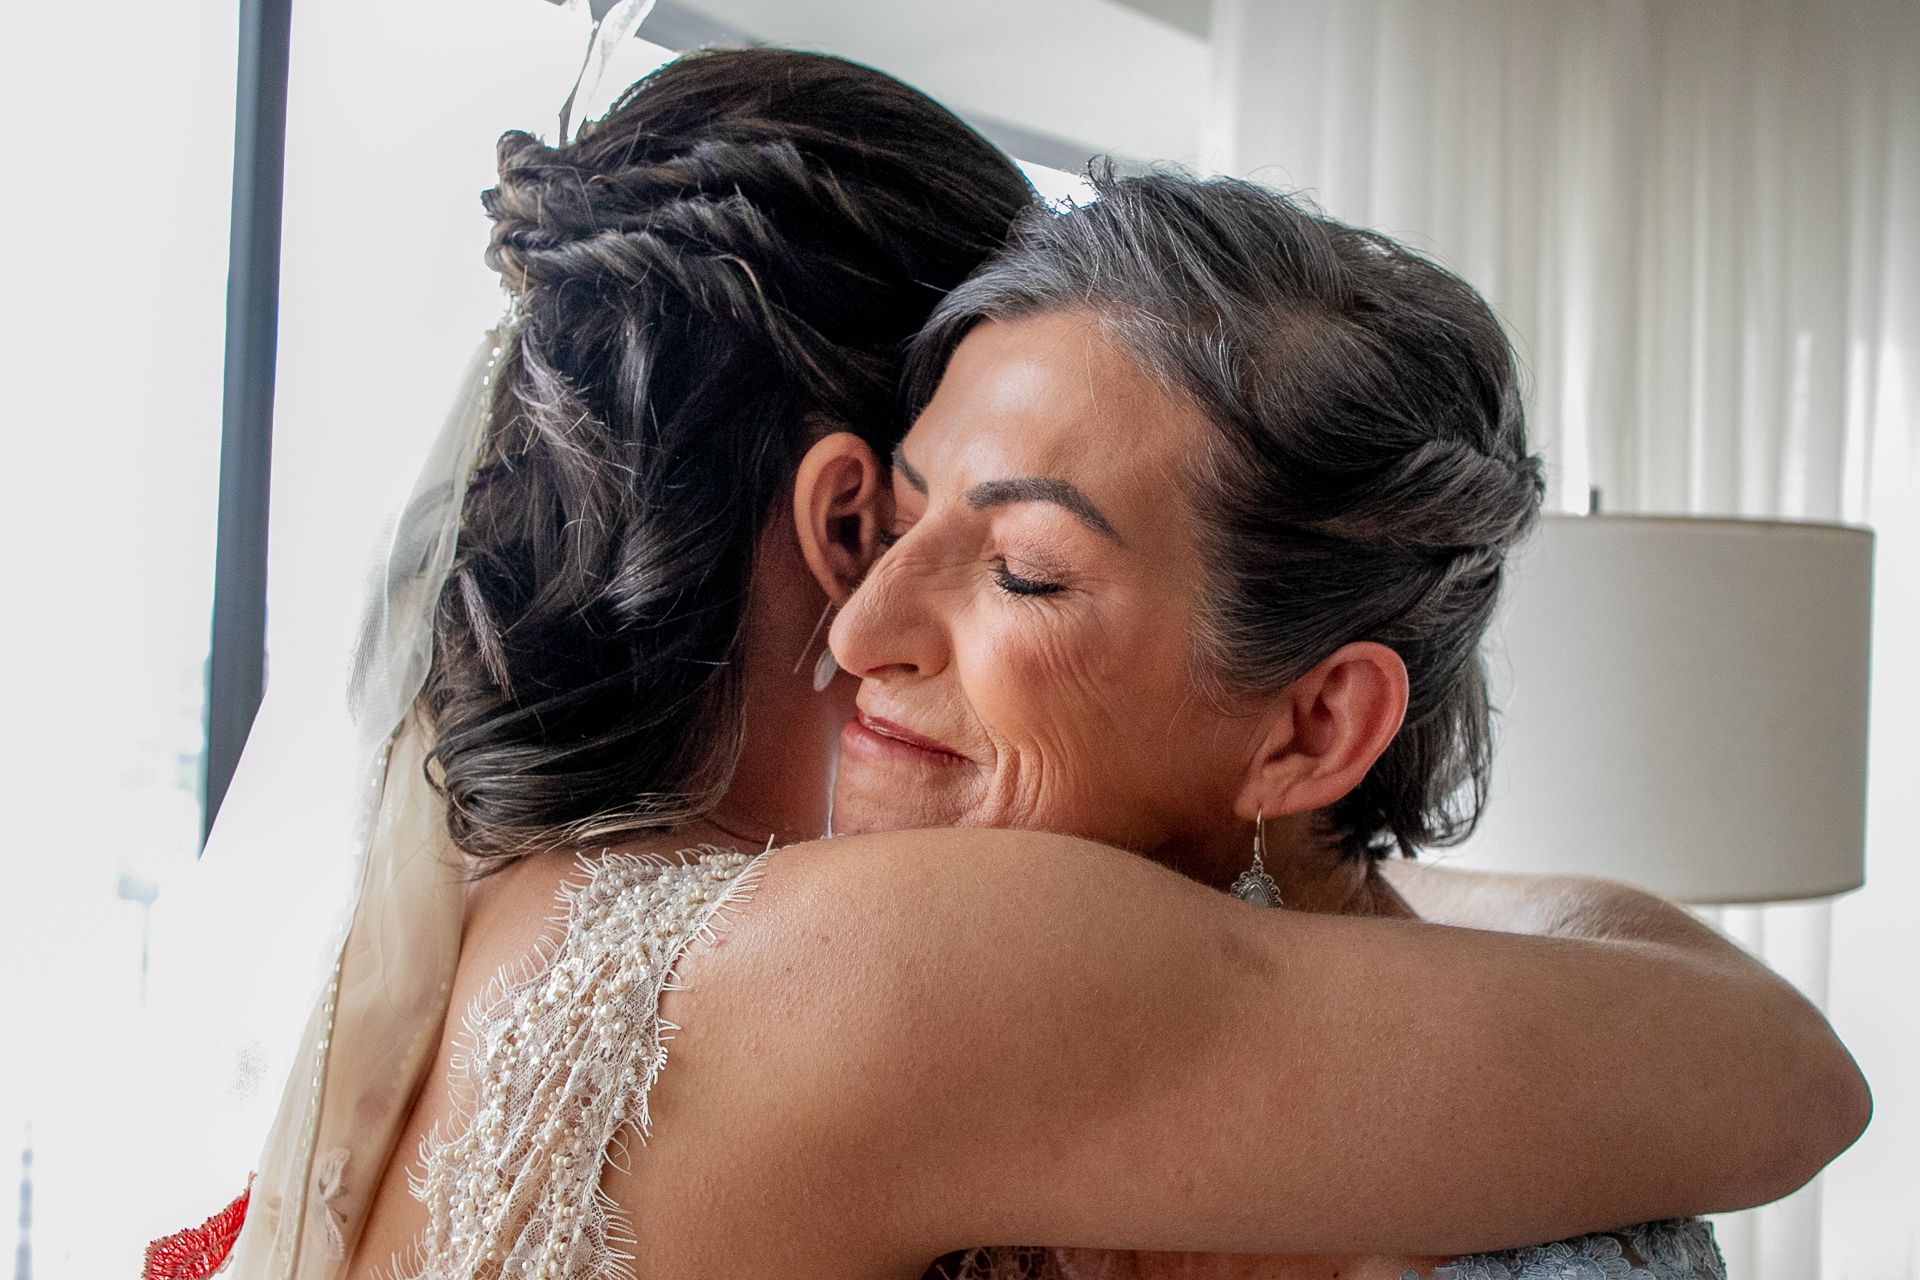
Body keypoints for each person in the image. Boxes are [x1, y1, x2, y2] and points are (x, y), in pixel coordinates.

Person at [170, 47, 1864, 1280]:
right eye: (894, 518)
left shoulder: (499, 902)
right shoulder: (917, 966)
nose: (868, 628)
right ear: (835, 505)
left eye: (1027, 567)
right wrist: (1287, 844)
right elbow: (1784, 1071)